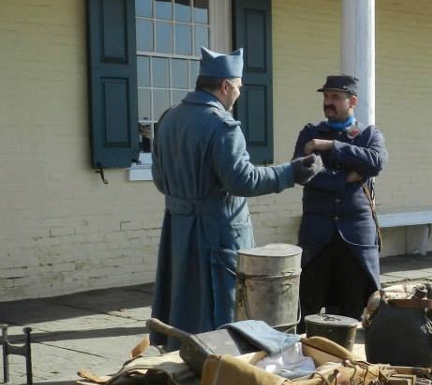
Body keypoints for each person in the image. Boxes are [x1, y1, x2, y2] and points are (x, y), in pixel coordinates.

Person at [150, 47, 323, 349]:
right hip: (218, 232)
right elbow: (242, 180)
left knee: (183, 303)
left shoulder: (169, 120)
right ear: (225, 86)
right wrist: (291, 173)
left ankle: (179, 358)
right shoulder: (223, 126)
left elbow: (160, 180)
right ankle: (217, 370)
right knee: (224, 308)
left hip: (178, 230)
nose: (239, 94)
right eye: (239, 87)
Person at [293, 74, 387, 323]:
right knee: (308, 310)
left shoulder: (368, 134)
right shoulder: (309, 133)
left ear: (352, 101)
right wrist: (345, 179)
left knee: (352, 312)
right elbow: (303, 172)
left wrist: (330, 147)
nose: (328, 102)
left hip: (355, 240)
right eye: (326, 96)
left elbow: (376, 162)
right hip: (317, 238)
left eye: (335, 97)